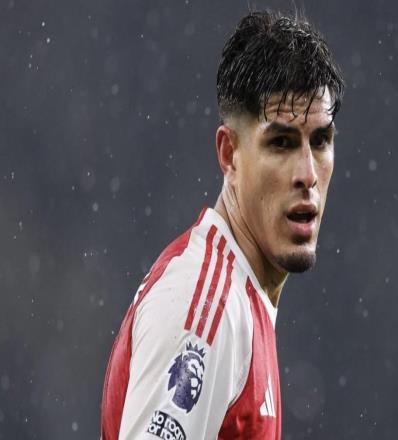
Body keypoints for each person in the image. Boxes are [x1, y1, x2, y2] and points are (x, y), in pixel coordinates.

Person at [100, 9, 344, 440]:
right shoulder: (205, 314)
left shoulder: (240, 300)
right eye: (282, 143)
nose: (307, 173)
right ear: (230, 155)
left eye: (320, 141)